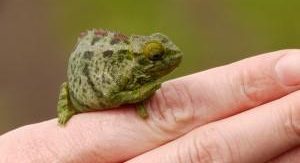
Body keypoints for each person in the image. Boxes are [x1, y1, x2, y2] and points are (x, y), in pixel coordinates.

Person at [1, 49, 300, 163]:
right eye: (154, 57)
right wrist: (143, 98)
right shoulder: (125, 71)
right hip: (90, 91)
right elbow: (113, 92)